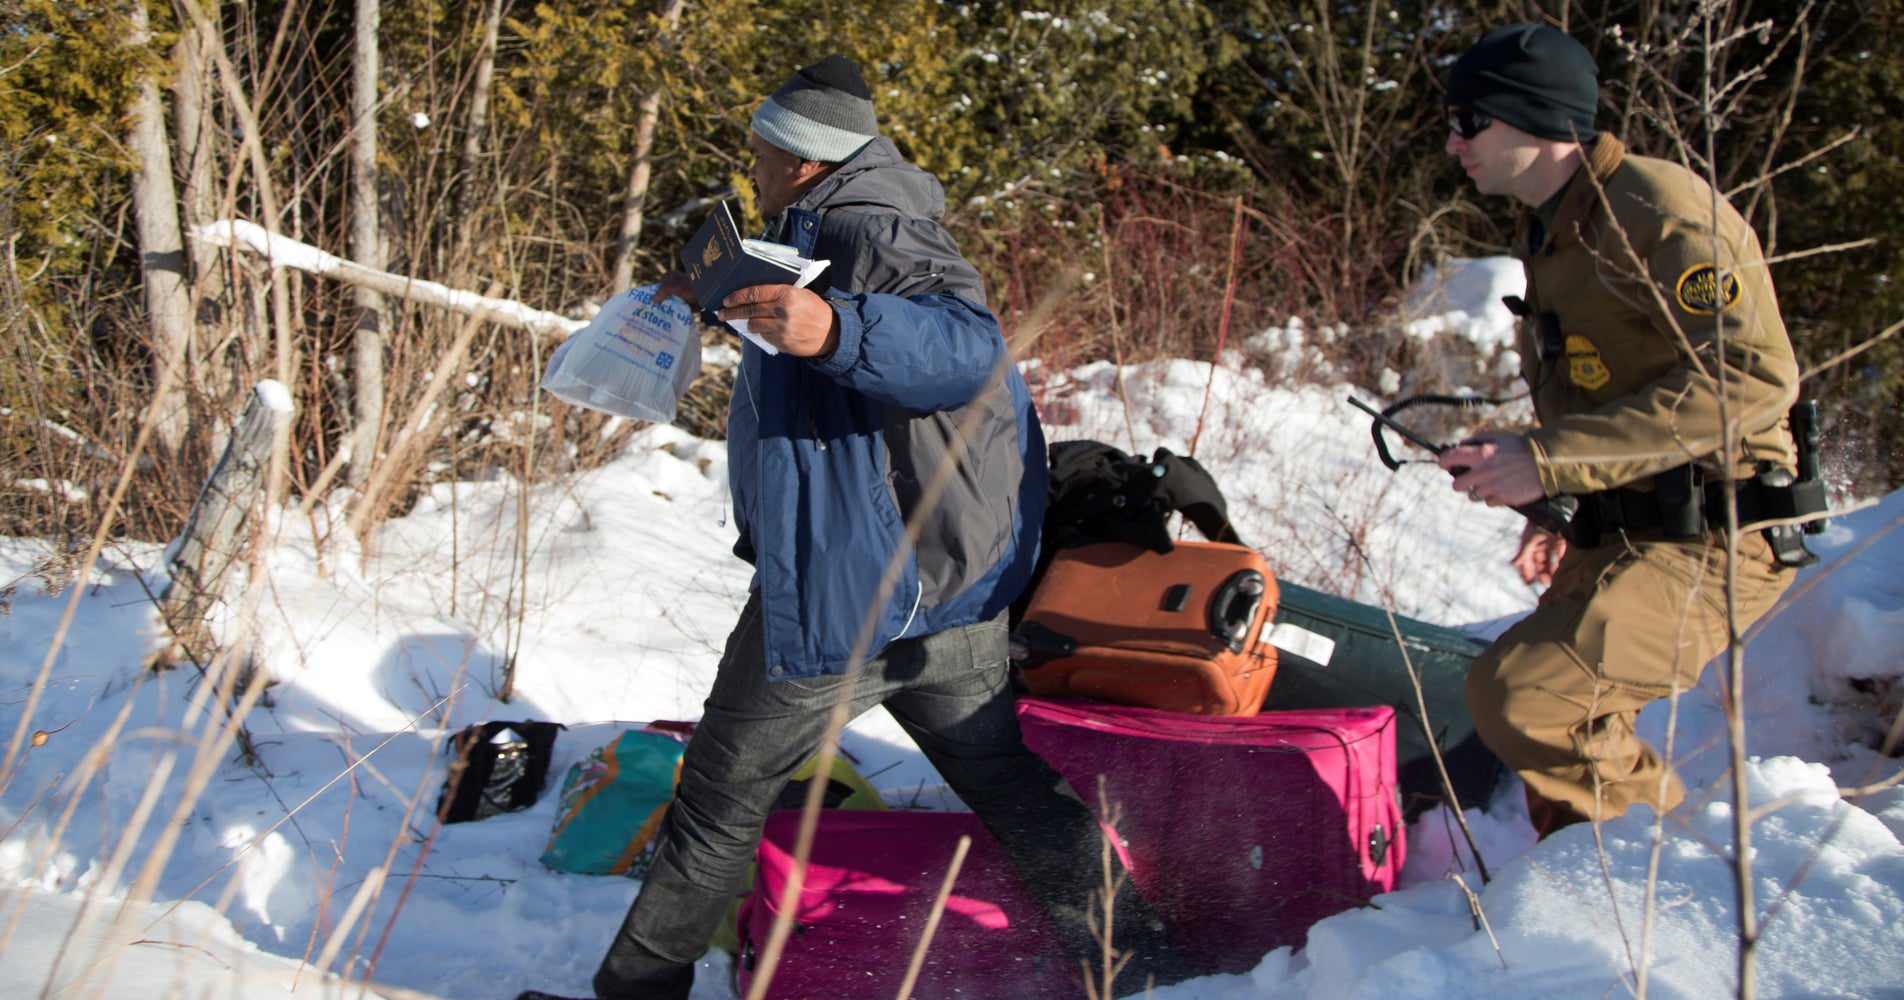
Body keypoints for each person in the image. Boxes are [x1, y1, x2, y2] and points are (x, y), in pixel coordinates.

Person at [516, 54, 1188, 1000]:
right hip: (943, 591)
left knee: (718, 798)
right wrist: (709, 290)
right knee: (1000, 776)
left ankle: (635, 993)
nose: (750, 168)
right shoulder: (826, 224)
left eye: (759, 154)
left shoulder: (880, 234)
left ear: (802, 159)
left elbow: (964, 348)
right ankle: (1144, 959)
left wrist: (831, 330)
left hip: (853, 592)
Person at [1435, 24, 1818, 837]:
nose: (1452, 140)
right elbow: (1613, 390)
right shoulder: (1558, 228)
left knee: (1531, 694)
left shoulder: (1654, 210)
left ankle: (1668, 896)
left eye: (1470, 120)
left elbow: (1750, 376)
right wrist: (1557, 499)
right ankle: (1591, 902)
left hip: (1719, 530)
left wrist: (1548, 460)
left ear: (1532, 119)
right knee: (1534, 707)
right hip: (1631, 527)